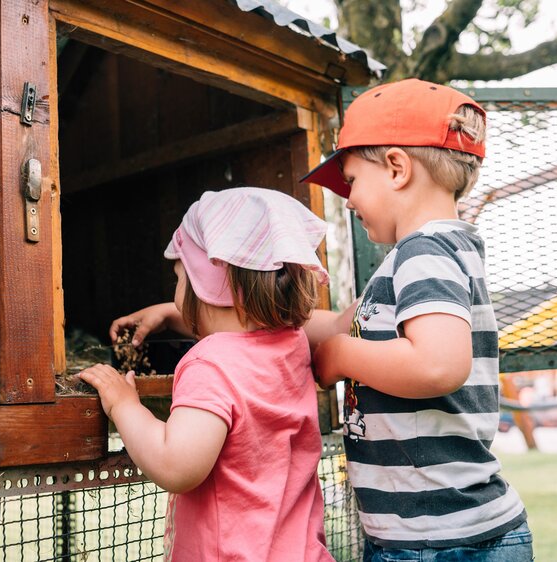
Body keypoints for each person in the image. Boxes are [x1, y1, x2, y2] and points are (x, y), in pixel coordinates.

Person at [111, 79, 533, 561]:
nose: (348, 201)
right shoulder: (439, 255)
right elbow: (283, 325)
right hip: (440, 531)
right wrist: (176, 312)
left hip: (439, 540)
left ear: (396, 168)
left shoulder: (424, 252)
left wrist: (340, 354)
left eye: (351, 181)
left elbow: (440, 364)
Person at [79, 187, 335, 562]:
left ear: (208, 283)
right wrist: (170, 312)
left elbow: (175, 464)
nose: (178, 288)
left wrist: (124, 405)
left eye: (180, 278)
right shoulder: (292, 344)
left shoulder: (210, 364)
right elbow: (242, 330)